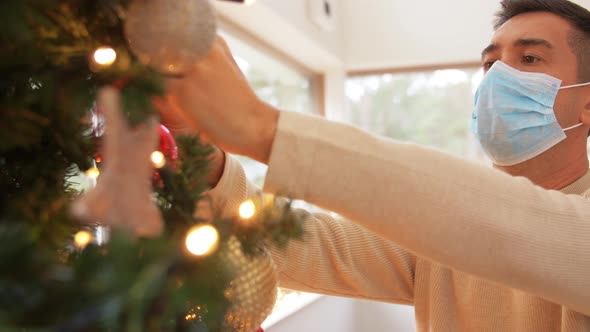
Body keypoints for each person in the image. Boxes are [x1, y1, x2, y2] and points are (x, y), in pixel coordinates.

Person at [157, 0, 590, 330]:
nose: (497, 79)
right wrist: (203, 161)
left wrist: (261, 128)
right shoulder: (442, 237)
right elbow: (300, 245)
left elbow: (509, 227)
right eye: (490, 64)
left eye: (529, 59)